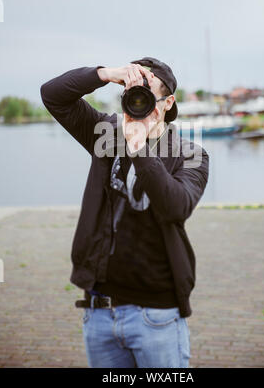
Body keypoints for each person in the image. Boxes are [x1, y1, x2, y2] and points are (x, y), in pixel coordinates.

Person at [40, 56, 209, 368]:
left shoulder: (191, 154)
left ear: (168, 102)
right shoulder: (105, 133)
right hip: (99, 311)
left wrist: (139, 148)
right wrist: (105, 74)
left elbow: (176, 208)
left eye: (147, 93)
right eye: (132, 92)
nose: (138, 100)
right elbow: (52, 94)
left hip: (156, 315)